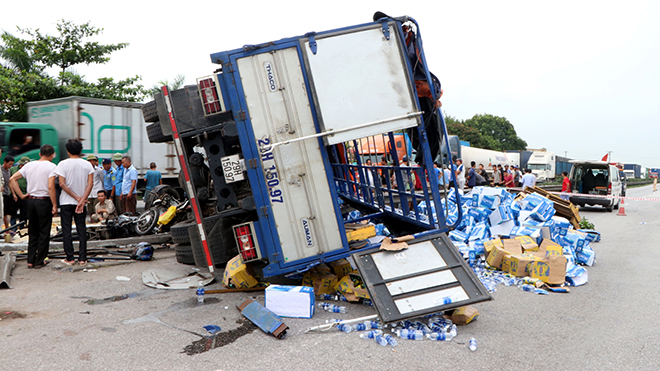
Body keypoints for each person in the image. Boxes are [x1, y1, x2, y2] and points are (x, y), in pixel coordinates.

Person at [9, 145, 57, 269]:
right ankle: (39, 260)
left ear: (40, 154)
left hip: (30, 201)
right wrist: (55, 205)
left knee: (32, 230)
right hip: (44, 201)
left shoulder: (29, 165)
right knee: (44, 231)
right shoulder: (52, 167)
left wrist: (21, 195)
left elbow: (12, 179)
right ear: (52, 155)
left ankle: (30, 260)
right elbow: (51, 187)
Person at [56, 139, 94, 266]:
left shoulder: (62, 164)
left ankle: (70, 258)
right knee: (81, 229)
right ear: (80, 150)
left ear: (68, 151)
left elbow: (61, 184)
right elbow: (90, 184)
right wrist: (81, 199)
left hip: (66, 202)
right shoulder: (87, 164)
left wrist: (76, 198)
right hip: (82, 203)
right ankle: (82, 258)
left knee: (66, 230)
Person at [10, 156, 30, 223]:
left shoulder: (29, 171)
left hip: (24, 194)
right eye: (22, 165)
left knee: (24, 212)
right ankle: (13, 228)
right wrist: (13, 193)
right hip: (14, 194)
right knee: (13, 212)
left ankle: (22, 226)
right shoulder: (13, 169)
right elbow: (10, 181)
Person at [1, 155, 18, 231]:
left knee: (7, 213)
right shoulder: (1, 170)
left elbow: (10, 183)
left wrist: (13, 194)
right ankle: (7, 229)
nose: (10, 166)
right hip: (2, 194)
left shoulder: (8, 171)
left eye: (12, 164)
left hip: (7, 193)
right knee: (3, 213)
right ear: (5, 162)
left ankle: (7, 228)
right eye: (9, 164)